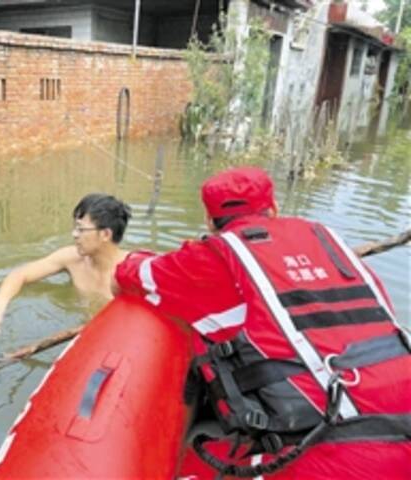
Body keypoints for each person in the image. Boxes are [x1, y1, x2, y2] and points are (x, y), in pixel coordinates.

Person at [113, 166, 411, 479]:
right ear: (273, 208)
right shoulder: (326, 240)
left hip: (341, 456)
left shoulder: (210, 257)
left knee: (195, 463)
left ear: (209, 220)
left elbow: (129, 274)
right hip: (400, 422)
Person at [0, 193, 131, 340]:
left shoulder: (133, 271)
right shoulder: (72, 258)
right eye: (75, 227)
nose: (74, 234)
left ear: (105, 234)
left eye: (81, 229)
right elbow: (20, 274)